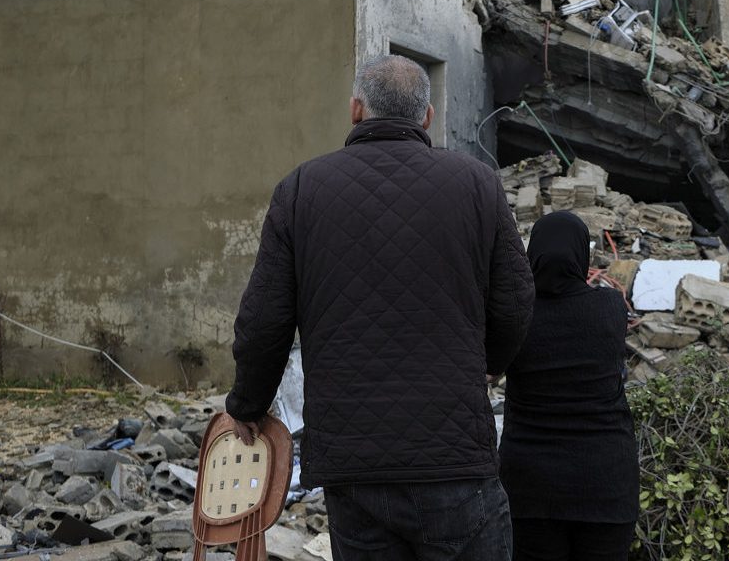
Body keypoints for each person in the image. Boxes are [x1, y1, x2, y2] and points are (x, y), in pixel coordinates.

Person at [224, 54, 535, 561]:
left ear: (355, 110)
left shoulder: (300, 190)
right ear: (427, 117)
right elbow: (517, 301)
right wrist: (490, 365)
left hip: (354, 464)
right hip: (453, 456)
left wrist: (247, 406)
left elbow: (264, 323)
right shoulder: (477, 183)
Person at [498, 211, 640, 561]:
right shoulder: (609, 309)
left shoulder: (517, 315)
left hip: (530, 487)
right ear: (582, 255)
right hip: (606, 484)